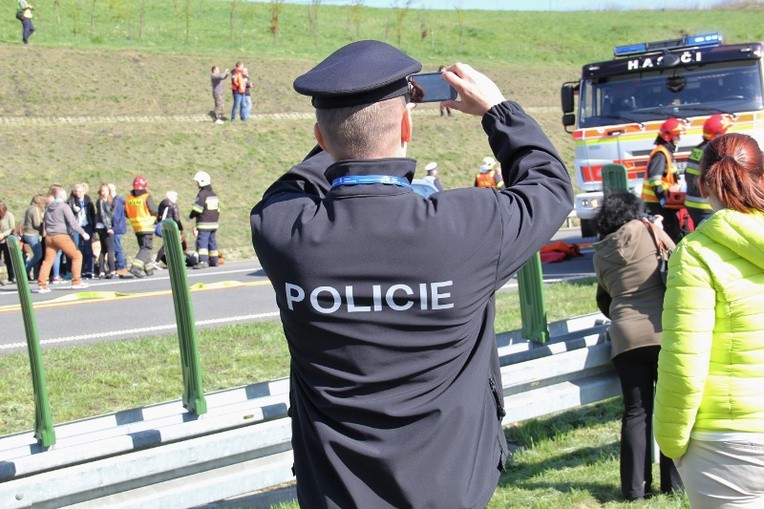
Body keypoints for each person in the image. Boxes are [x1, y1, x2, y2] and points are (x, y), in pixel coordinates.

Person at [250, 40, 573, 507]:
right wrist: (497, 110)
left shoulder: (282, 231)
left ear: (321, 139)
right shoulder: (465, 227)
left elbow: (294, 183)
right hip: (450, 489)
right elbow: (548, 185)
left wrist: (345, 130)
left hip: (331, 493)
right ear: (406, 123)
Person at [654, 133, 764, 509]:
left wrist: (671, 443)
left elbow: (685, 364)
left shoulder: (696, 253)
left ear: (702, 186)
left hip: (727, 447)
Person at [592, 192, 680, 501]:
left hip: (624, 338)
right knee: (668, 410)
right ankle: (674, 484)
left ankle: (634, 489)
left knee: (635, 412)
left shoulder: (600, 252)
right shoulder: (649, 231)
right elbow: (678, 261)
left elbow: (604, 297)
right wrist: (659, 227)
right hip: (661, 332)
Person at [37, 185, 90, 293]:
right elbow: (73, 223)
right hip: (61, 235)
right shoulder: (64, 207)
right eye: (64, 193)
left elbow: (45, 223)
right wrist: (83, 233)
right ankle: (76, 281)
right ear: (60, 195)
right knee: (77, 256)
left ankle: (42, 285)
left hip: (49, 237)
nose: (66, 195)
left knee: (47, 261)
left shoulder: (48, 208)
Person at [641, 117, 685, 243]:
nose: (679, 139)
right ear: (668, 136)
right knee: (669, 236)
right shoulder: (660, 154)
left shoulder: (665, 152)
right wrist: (662, 196)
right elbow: (654, 179)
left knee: (673, 233)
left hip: (662, 203)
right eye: (677, 136)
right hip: (657, 204)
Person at [684, 114, 732, 231]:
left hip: (693, 203)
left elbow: (687, 175)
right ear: (718, 134)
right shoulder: (713, 151)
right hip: (706, 205)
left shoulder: (698, 150)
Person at [124, 175, 158, 278]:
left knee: (143, 247)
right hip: (147, 227)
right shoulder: (146, 197)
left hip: (137, 227)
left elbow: (126, 213)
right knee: (146, 248)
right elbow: (154, 210)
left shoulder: (129, 198)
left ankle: (149, 269)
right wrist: (157, 216)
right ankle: (135, 268)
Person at [189, 171, 219, 269]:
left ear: (201, 182)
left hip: (204, 223)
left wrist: (190, 216)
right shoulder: (213, 194)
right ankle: (214, 260)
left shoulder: (202, 194)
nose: (197, 184)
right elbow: (218, 209)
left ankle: (203, 261)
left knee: (202, 242)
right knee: (212, 241)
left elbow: (198, 208)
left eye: (197, 182)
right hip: (214, 223)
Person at [67, 183, 96, 279]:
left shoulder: (88, 200)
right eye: (76, 191)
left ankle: (89, 270)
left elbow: (92, 214)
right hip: (76, 227)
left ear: (84, 191)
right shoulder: (71, 200)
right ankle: (79, 270)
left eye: (80, 191)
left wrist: (93, 228)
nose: (78, 193)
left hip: (87, 226)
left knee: (88, 249)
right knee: (77, 249)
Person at [155, 190, 183, 267]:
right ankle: (158, 261)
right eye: (175, 196)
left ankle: (163, 261)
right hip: (170, 227)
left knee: (167, 244)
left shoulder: (162, 203)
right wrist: (180, 228)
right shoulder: (173, 205)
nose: (176, 198)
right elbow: (176, 218)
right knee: (169, 245)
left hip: (162, 225)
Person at [94, 183, 116, 279]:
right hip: (103, 227)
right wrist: (109, 228)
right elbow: (104, 216)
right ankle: (112, 270)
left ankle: (102, 271)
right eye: (102, 191)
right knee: (110, 249)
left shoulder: (109, 200)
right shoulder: (101, 201)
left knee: (103, 249)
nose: (104, 192)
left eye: (106, 191)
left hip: (104, 226)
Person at [22, 193, 47, 280]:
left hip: (27, 234)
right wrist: (43, 223)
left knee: (36, 254)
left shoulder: (29, 208)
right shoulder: (36, 209)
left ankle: (35, 274)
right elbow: (36, 223)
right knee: (38, 255)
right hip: (32, 234)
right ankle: (26, 269)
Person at [108, 183, 128, 277]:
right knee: (116, 247)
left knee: (117, 247)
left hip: (117, 228)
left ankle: (121, 267)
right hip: (118, 227)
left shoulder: (117, 201)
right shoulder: (118, 200)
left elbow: (115, 217)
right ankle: (120, 266)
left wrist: (112, 228)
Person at [0, 202, 16, 284]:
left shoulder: (9, 215)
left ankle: (11, 276)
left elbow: (12, 228)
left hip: (7, 239)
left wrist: (3, 234)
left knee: (8, 259)